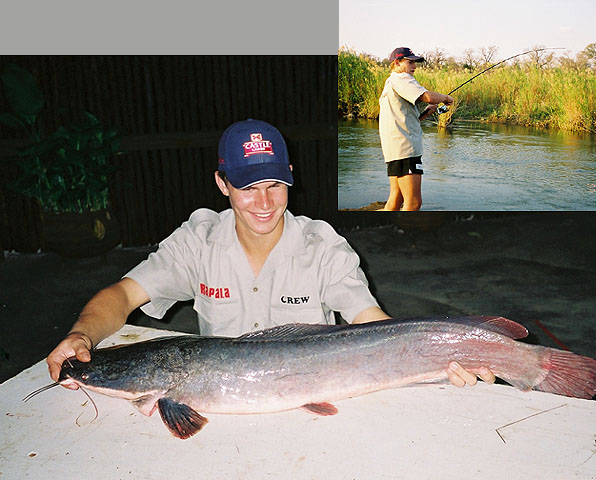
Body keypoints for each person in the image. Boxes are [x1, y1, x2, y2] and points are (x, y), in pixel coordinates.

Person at [47, 118, 494, 390]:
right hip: (223, 397)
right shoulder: (196, 241)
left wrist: (442, 357)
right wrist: (81, 336)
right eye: (247, 188)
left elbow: (370, 324)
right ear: (222, 185)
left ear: (290, 178)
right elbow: (121, 296)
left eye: (275, 185)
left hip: (316, 392)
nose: (264, 203)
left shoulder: (324, 246)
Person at [379, 47, 454, 211]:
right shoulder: (401, 78)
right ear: (397, 63)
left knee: (396, 199)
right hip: (406, 150)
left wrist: (427, 112)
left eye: (415, 62)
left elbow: (406, 119)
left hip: (395, 149)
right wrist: (447, 98)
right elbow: (427, 96)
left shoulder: (391, 82)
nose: (414, 66)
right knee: (413, 203)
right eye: (410, 62)